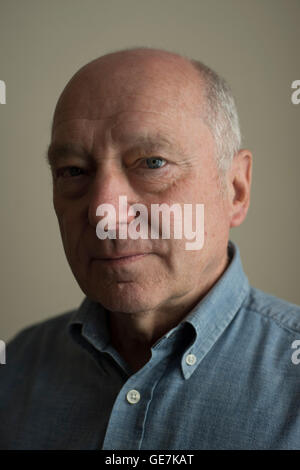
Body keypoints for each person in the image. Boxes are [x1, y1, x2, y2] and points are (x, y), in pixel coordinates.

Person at [1, 47, 300, 450]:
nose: (104, 211)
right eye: (73, 171)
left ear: (235, 189)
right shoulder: (16, 368)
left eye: (152, 163)